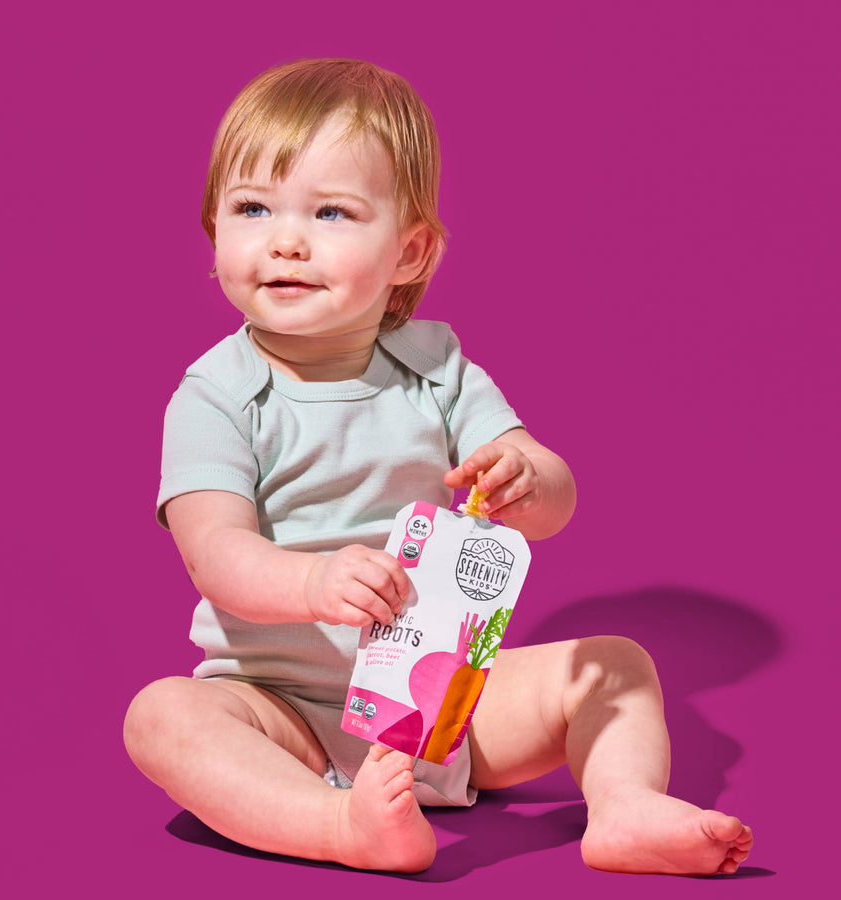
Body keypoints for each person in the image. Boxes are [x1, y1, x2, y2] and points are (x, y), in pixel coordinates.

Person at [123, 58, 753, 876]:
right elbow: (217, 554)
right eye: (251, 208)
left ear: (410, 251)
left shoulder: (439, 372)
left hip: (442, 697)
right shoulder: (214, 397)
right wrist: (313, 587)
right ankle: (331, 821)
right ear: (214, 228)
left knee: (618, 665)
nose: (284, 239)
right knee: (163, 716)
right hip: (282, 707)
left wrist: (527, 478)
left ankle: (625, 805)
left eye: (331, 212)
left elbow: (547, 492)